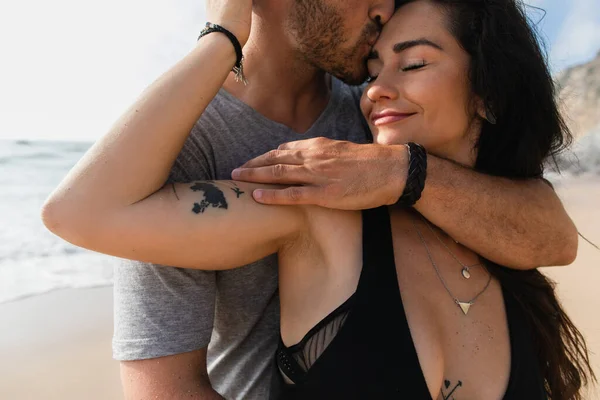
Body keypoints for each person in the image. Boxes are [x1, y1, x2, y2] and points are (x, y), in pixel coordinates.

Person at [41, 0, 584, 399]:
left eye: (408, 64)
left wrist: (400, 171)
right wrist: (222, 36)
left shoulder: (376, 121)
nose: (383, 7)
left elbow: (553, 235)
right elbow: (162, 386)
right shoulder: (189, 147)